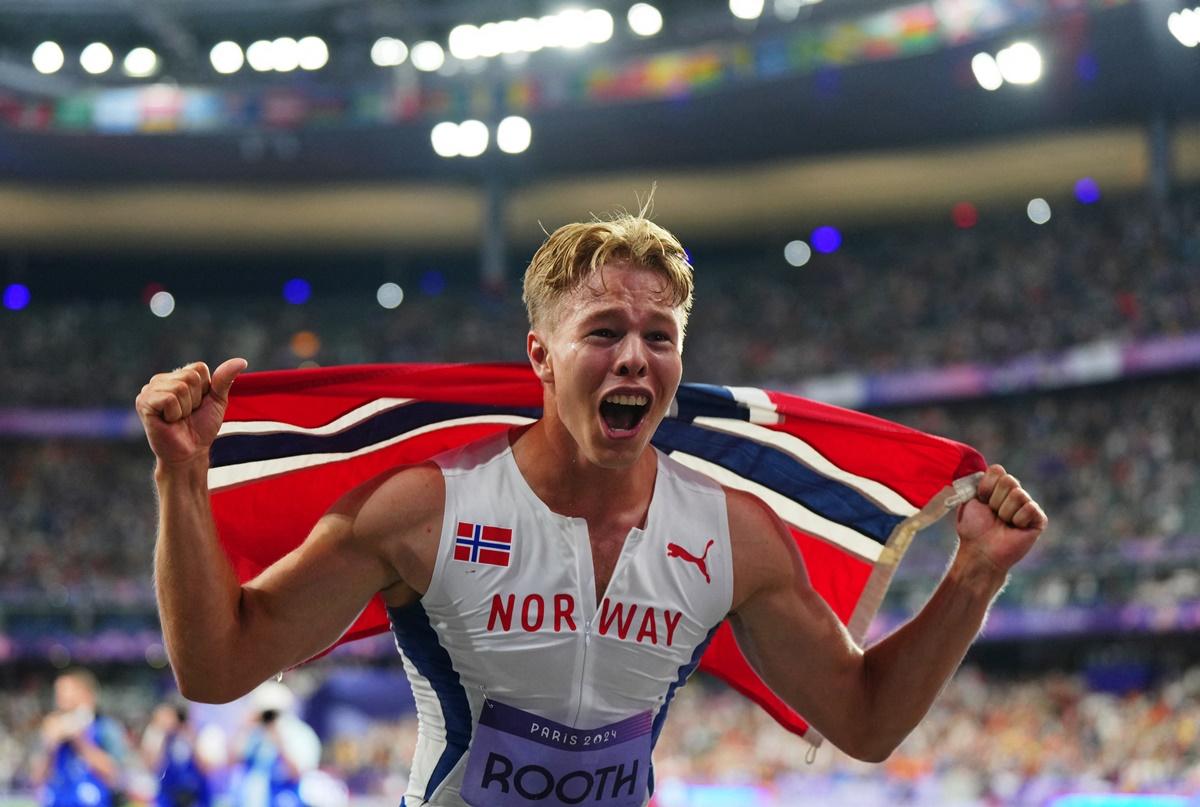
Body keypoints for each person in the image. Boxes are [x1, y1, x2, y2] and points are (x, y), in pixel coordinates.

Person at [136, 210, 1047, 807]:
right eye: (603, 331)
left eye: (659, 337)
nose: (633, 359)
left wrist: (972, 576)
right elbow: (216, 666)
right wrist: (181, 478)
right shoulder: (426, 508)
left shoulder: (732, 534)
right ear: (540, 354)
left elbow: (867, 719)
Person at [33, 669, 128, 807]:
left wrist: (79, 741)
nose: (60, 697)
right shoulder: (52, 728)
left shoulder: (105, 727)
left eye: (66, 691)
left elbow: (116, 776)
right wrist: (50, 745)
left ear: (87, 695)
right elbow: (37, 778)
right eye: (58, 692)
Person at [228, 682, 321, 807]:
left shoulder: (301, 734)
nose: (268, 718)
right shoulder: (253, 733)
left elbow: (299, 773)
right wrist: (244, 728)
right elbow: (230, 761)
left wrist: (279, 740)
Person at [140, 703, 211, 807]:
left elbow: (205, 767)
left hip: (192, 794)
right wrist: (162, 736)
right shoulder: (157, 738)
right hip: (168, 795)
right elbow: (152, 766)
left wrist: (190, 739)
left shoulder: (188, 736)